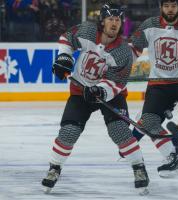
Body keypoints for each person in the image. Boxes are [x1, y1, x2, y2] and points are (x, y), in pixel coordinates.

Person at [41, 2, 149, 195]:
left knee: (119, 131)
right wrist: (64, 58)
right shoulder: (88, 31)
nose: (114, 23)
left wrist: (100, 90)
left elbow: (118, 83)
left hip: (110, 95)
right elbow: (66, 38)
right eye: (110, 19)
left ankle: (139, 168)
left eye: (117, 20)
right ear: (102, 21)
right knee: (69, 131)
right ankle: (54, 168)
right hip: (79, 91)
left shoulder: (123, 51)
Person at [130, 0, 178, 177]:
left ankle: (176, 140)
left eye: (174, 6)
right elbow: (133, 49)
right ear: (161, 7)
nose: (170, 9)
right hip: (159, 84)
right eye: (167, 6)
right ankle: (172, 157)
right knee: (149, 121)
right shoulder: (149, 25)